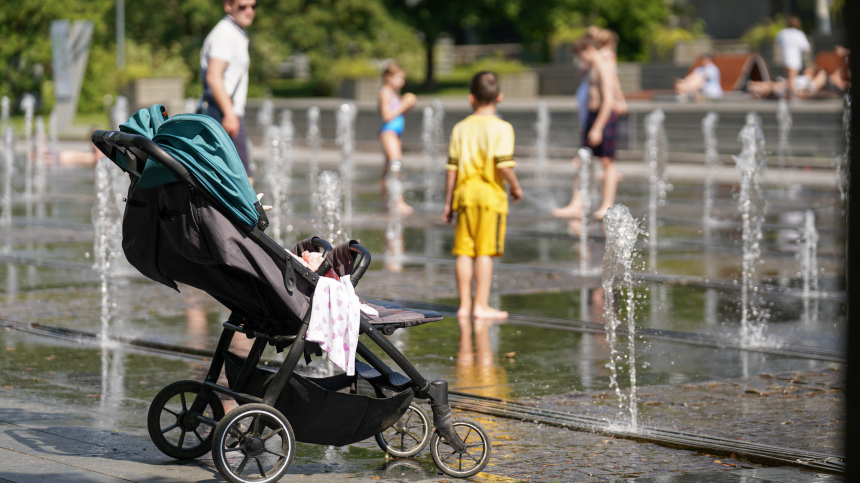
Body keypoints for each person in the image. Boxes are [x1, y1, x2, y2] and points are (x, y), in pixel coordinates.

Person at [443, 72, 523, 319]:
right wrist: (516, 187)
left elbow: (452, 168)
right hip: (490, 197)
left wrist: (448, 202)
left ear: (471, 98)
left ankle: (465, 305)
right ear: (499, 97)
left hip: (464, 195)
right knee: (484, 253)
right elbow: (502, 164)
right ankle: (482, 306)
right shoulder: (503, 127)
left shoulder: (460, 128)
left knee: (464, 252)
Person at [554, 35, 619, 221]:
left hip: (603, 117)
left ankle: (607, 204)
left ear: (590, 49)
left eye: (581, 56)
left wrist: (598, 126)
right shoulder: (593, 67)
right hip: (592, 117)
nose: (581, 60)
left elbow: (609, 100)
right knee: (583, 161)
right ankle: (576, 204)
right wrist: (588, 125)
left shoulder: (604, 66)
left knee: (607, 162)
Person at [199, 0, 256, 184]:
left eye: (253, 6)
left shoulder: (236, 32)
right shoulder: (226, 33)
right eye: (242, 6)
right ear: (228, 6)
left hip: (224, 109)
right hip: (222, 109)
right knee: (243, 180)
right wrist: (229, 113)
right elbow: (213, 76)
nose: (249, 11)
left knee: (229, 179)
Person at [379, 62, 417, 215]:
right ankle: (398, 202)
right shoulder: (385, 92)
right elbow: (387, 116)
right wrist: (404, 104)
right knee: (396, 166)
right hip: (388, 133)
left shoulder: (393, 93)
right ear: (388, 77)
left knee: (388, 169)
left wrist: (406, 106)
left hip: (395, 133)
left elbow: (398, 114)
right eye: (398, 78)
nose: (402, 82)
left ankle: (386, 201)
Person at [775, 15, 811, 99]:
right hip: (795, 59)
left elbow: (777, 40)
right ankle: (793, 97)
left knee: (788, 79)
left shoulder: (783, 32)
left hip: (785, 58)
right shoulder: (799, 34)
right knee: (792, 80)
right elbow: (807, 47)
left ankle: (788, 96)